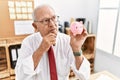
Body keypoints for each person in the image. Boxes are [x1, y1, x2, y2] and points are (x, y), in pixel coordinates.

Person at [15, 4, 90, 80]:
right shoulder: (28, 43)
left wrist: (76, 49)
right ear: (35, 26)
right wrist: (40, 50)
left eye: (54, 18)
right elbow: (20, 77)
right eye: (46, 21)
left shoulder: (67, 41)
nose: (52, 24)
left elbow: (84, 77)